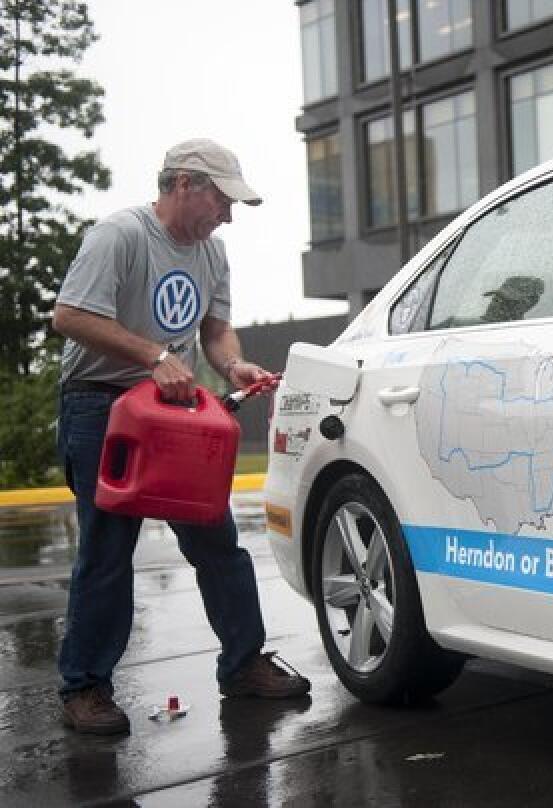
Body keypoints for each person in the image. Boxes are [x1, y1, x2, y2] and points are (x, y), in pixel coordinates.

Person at [52, 138, 310, 736]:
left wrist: (234, 365)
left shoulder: (212, 254)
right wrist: (152, 355)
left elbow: (216, 332)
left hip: (171, 410)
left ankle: (243, 663)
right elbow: (68, 316)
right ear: (185, 184)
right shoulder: (120, 235)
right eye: (222, 199)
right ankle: (85, 687)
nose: (227, 215)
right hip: (102, 404)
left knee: (215, 539)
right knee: (109, 551)